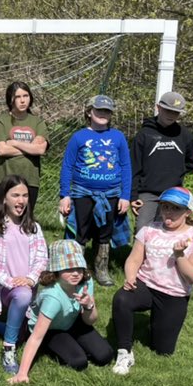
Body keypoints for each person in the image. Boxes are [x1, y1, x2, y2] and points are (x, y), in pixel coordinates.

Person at [110, 187, 193, 375]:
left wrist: (179, 255)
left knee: (163, 350)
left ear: (188, 212)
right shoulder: (149, 229)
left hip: (174, 294)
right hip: (146, 284)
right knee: (122, 299)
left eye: (175, 208)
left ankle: (156, 322)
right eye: (165, 207)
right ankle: (124, 352)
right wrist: (131, 276)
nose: (168, 212)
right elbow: (134, 259)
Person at [8, 240, 113, 385]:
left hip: (73, 320)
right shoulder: (52, 297)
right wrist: (22, 373)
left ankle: (74, 342)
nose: (76, 273)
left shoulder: (86, 283)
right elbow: (37, 336)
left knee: (105, 356)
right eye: (68, 269)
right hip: (51, 329)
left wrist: (89, 305)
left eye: (79, 268)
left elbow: (90, 320)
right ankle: (48, 347)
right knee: (79, 362)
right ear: (56, 271)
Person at [0, 175, 48, 375]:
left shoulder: (33, 227)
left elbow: (42, 257)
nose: (21, 200)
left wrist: (31, 278)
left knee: (24, 334)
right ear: (4, 199)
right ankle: (9, 350)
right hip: (5, 287)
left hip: (28, 284)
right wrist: (10, 281)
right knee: (22, 296)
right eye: (15, 195)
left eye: (24, 195)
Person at [58, 94, 131, 287]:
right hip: (83, 193)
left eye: (107, 111)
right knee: (80, 233)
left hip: (111, 194)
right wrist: (65, 195)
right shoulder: (79, 137)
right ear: (89, 112)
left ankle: (101, 269)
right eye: (99, 110)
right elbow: (67, 166)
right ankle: (77, 269)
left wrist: (125, 196)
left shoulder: (118, 137)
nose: (103, 114)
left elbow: (125, 166)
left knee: (104, 232)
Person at [129, 90, 193, 234]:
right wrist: (133, 196)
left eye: (176, 112)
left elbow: (192, 161)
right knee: (143, 230)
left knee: (170, 230)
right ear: (158, 107)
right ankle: (141, 257)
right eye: (168, 110)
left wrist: (175, 171)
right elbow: (134, 167)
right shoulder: (144, 134)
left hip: (173, 192)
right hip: (148, 193)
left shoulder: (184, 134)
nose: (171, 115)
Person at [0, 81, 49, 212]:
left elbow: (40, 149)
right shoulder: (0, 121)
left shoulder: (38, 122)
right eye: (18, 97)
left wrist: (15, 143)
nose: (22, 101)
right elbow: (2, 150)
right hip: (3, 178)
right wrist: (30, 149)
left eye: (26, 96)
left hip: (30, 179)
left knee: (25, 220)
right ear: (10, 99)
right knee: (3, 219)